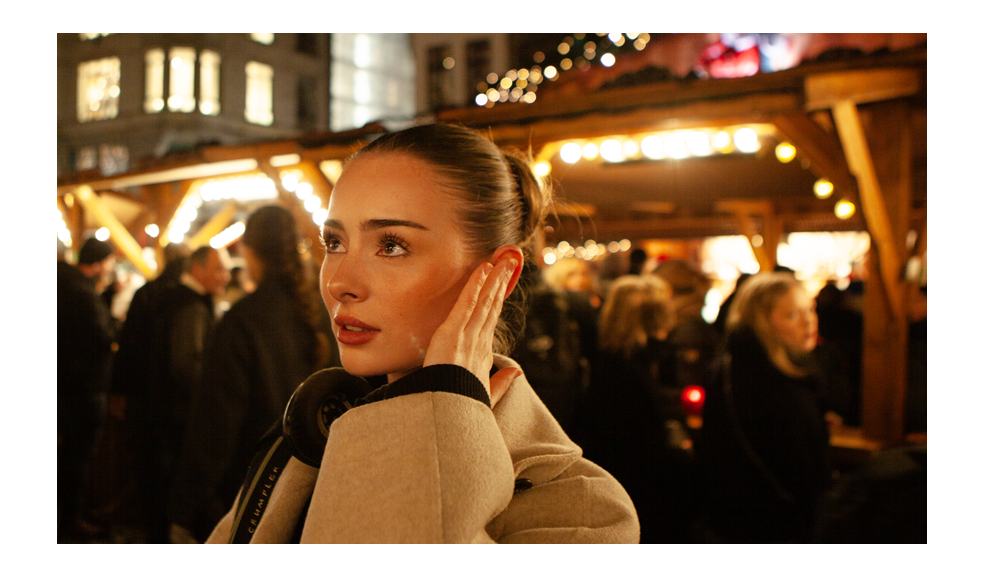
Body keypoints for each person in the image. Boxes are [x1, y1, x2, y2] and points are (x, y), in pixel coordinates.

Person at [204, 123, 639, 543]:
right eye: (334, 243)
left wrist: (444, 408)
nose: (339, 281)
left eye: (391, 245)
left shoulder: (585, 509)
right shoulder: (310, 441)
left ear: (498, 277)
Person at [169, 206, 335, 543]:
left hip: (254, 489)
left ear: (251, 252)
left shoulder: (242, 321)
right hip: (323, 485)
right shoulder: (325, 311)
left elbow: (215, 424)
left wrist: (185, 509)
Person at [698, 272, 834, 543]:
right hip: (773, 524)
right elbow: (804, 472)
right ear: (761, 323)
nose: (808, 322)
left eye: (810, 309)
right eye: (792, 315)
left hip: (737, 520)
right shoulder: (774, 384)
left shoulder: (732, 368)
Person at [131, 245, 229, 543]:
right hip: (177, 418)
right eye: (218, 269)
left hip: (161, 414)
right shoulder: (190, 306)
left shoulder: (175, 299)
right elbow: (188, 367)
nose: (225, 276)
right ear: (196, 269)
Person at [577, 274, 679, 542]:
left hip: (614, 487)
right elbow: (645, 448)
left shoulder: (608, 363)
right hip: (638, 496)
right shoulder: (631, 371)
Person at [57, 237, 119, 540]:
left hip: (69, 387)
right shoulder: (80, 292)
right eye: (108, 262)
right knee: (77, 457)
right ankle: (72, 518)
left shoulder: (66, 285)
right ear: (97, 264)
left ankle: (73, 513)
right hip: (83, 390)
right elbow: (100, 337)